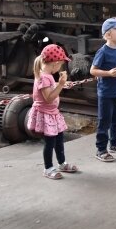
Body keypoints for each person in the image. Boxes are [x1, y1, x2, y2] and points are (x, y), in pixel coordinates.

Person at [28, 44, 79, 179]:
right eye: (61, 65)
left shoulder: (46, 75)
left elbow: (50, 89)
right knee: (50, 143)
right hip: (47, 114)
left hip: (52, 114)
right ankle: (48, 168)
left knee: (59, 140)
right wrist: (61, 84)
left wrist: (58, 85)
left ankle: (62, 163)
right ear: (55, 64)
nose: (60, 67)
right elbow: (49, 98)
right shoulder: (45, 77)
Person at [90, 17, 116, 162]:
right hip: (106, 93)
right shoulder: (103, 52)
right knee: (104, 121)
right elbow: (93, 71)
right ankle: (101, 149)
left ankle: (114, 144)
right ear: (108, 35)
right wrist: (108, 73)